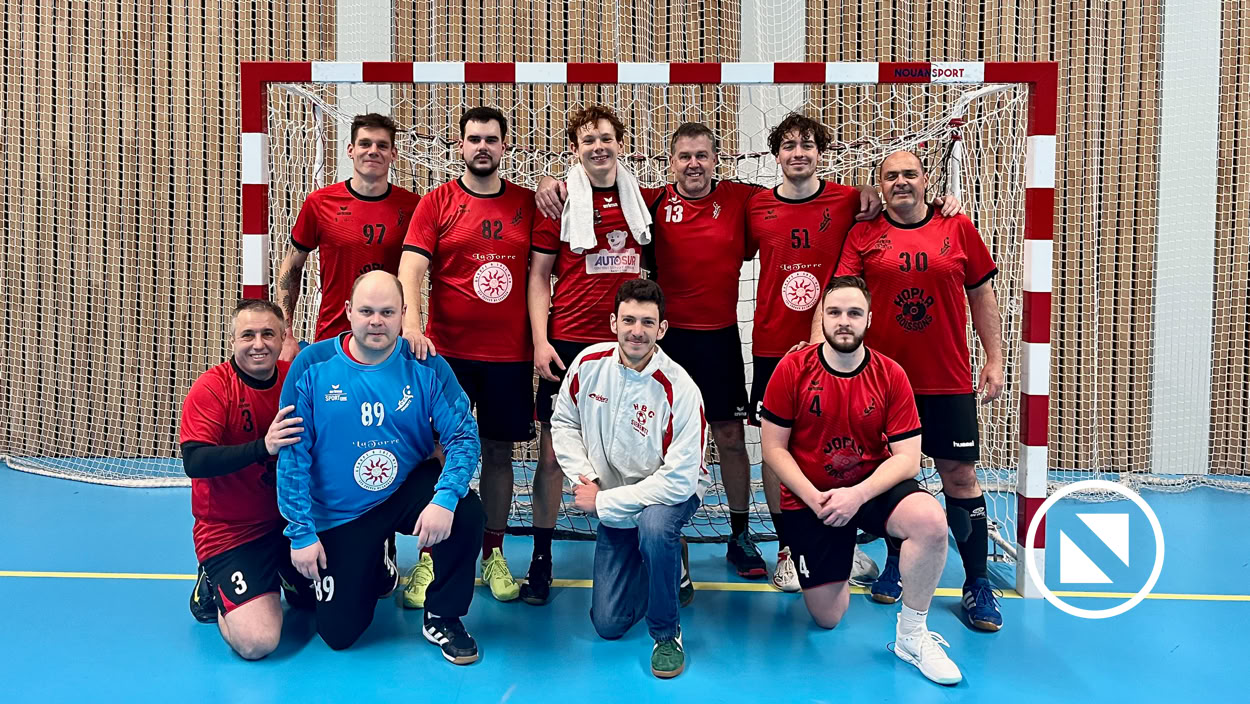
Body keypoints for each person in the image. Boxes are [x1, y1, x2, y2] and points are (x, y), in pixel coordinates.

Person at [760, 275, 962, 685]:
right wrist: (815, 498)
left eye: (854, 313)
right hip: (812, 496)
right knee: (828, 618)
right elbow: (773, 449)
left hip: (868, 488)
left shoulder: (891, 374)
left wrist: (857, 496)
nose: (844, 321)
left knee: (930, 522)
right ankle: (842, 550)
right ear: (822, 317)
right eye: (834, 312)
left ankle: (912, 635)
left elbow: (907, 460)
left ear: (869, 318)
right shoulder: (792, 368)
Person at [834, 150, 1005, 631]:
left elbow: (982, 295)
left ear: (925, 180)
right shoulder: (863, 235)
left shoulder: (957, 227)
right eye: (891, 176)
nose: (901, 182)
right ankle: (895, 563)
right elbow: (842, 301)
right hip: (884, 383)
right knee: (890, 474)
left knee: (960, 478)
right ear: (880, 186)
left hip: (947, 380)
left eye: (910, 174)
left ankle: (977, 583)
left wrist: (994, 358)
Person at [276, 271, 486, 661]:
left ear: (404, 314)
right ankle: (373, 559)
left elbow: (464, 436)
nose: (376, 321)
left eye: (387, 312)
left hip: (404, 489)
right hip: (342, 513)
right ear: (348, 311)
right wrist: (301, 534)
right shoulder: (312, 366)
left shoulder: (425, 364)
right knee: (339, 635)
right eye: (367, 311)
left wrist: (445, 499)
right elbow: (292, 457)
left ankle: (444, 615)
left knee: (467, 512)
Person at [396, 107, 540, 607]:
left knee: (500, 454)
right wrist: (411, 325)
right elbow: (410, 266)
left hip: (509, 357)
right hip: (447, 355)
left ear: (505, 147)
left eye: (492, 139)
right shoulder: (437, 201)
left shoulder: (527, 202)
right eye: (474, 139)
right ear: (460, 146)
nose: (483, 146)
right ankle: (431, 559)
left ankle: (493, 552)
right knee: (437, 455)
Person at [744, 113, 890, 591]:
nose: (798, 152)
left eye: (807, 144)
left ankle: (838, 542)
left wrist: (943, 201)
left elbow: (899, 205)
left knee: (839, 440)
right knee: (777, 451)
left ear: (822, 152)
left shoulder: (850, 199)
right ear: (776, 155)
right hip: (773, 346)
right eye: (788, 145)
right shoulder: (756, 206)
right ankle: (787, 548)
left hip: (838, 348)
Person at [526, 104, 653, 604]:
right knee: (553, 455)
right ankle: (541, 555)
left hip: (629, 346)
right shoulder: (557, 204)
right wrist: (541, 341)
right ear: (575, 149)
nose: (598, 146)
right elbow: (538, 276)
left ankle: (637, 549)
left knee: (636, 451)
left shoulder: (642, 200)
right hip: (570, 344)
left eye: (605, 137)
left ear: (620, 143)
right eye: (587, 140)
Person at [551, 279, 709, 679]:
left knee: (656, 526)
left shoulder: (681, 389)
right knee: (608, 624)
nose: (636, 330)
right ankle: (670, 566)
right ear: (613, 322)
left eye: (647, 322)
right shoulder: (588, 365)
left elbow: (678, 481)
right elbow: (564, 422)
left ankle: (666, 633)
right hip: (612, 493)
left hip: (670, 493)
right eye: (629, 320)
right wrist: (586, 478)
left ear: (662, 329)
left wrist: (602, 503)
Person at [179, 299, 312, 658]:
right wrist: (263, 447)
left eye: (268, 334)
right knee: (258, 642)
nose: (259, 344)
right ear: (233, 340)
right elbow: (195, 460)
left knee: (317, 606)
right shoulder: (212, 388)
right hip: (232, 530)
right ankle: (213, 578)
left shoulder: (295, 380)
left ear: (284, 337)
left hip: (290, 524)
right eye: (248, 335)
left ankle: (286, 575)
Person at [276, 113, 423, 358]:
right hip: (333, 340)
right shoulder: (320, 203)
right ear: (350, 150)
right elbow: (292, 266)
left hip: (391, 342)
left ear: (393, 154)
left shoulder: (413, 207)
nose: (373, 151)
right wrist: (286, 333)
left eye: (382, 145)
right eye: (365, 143)